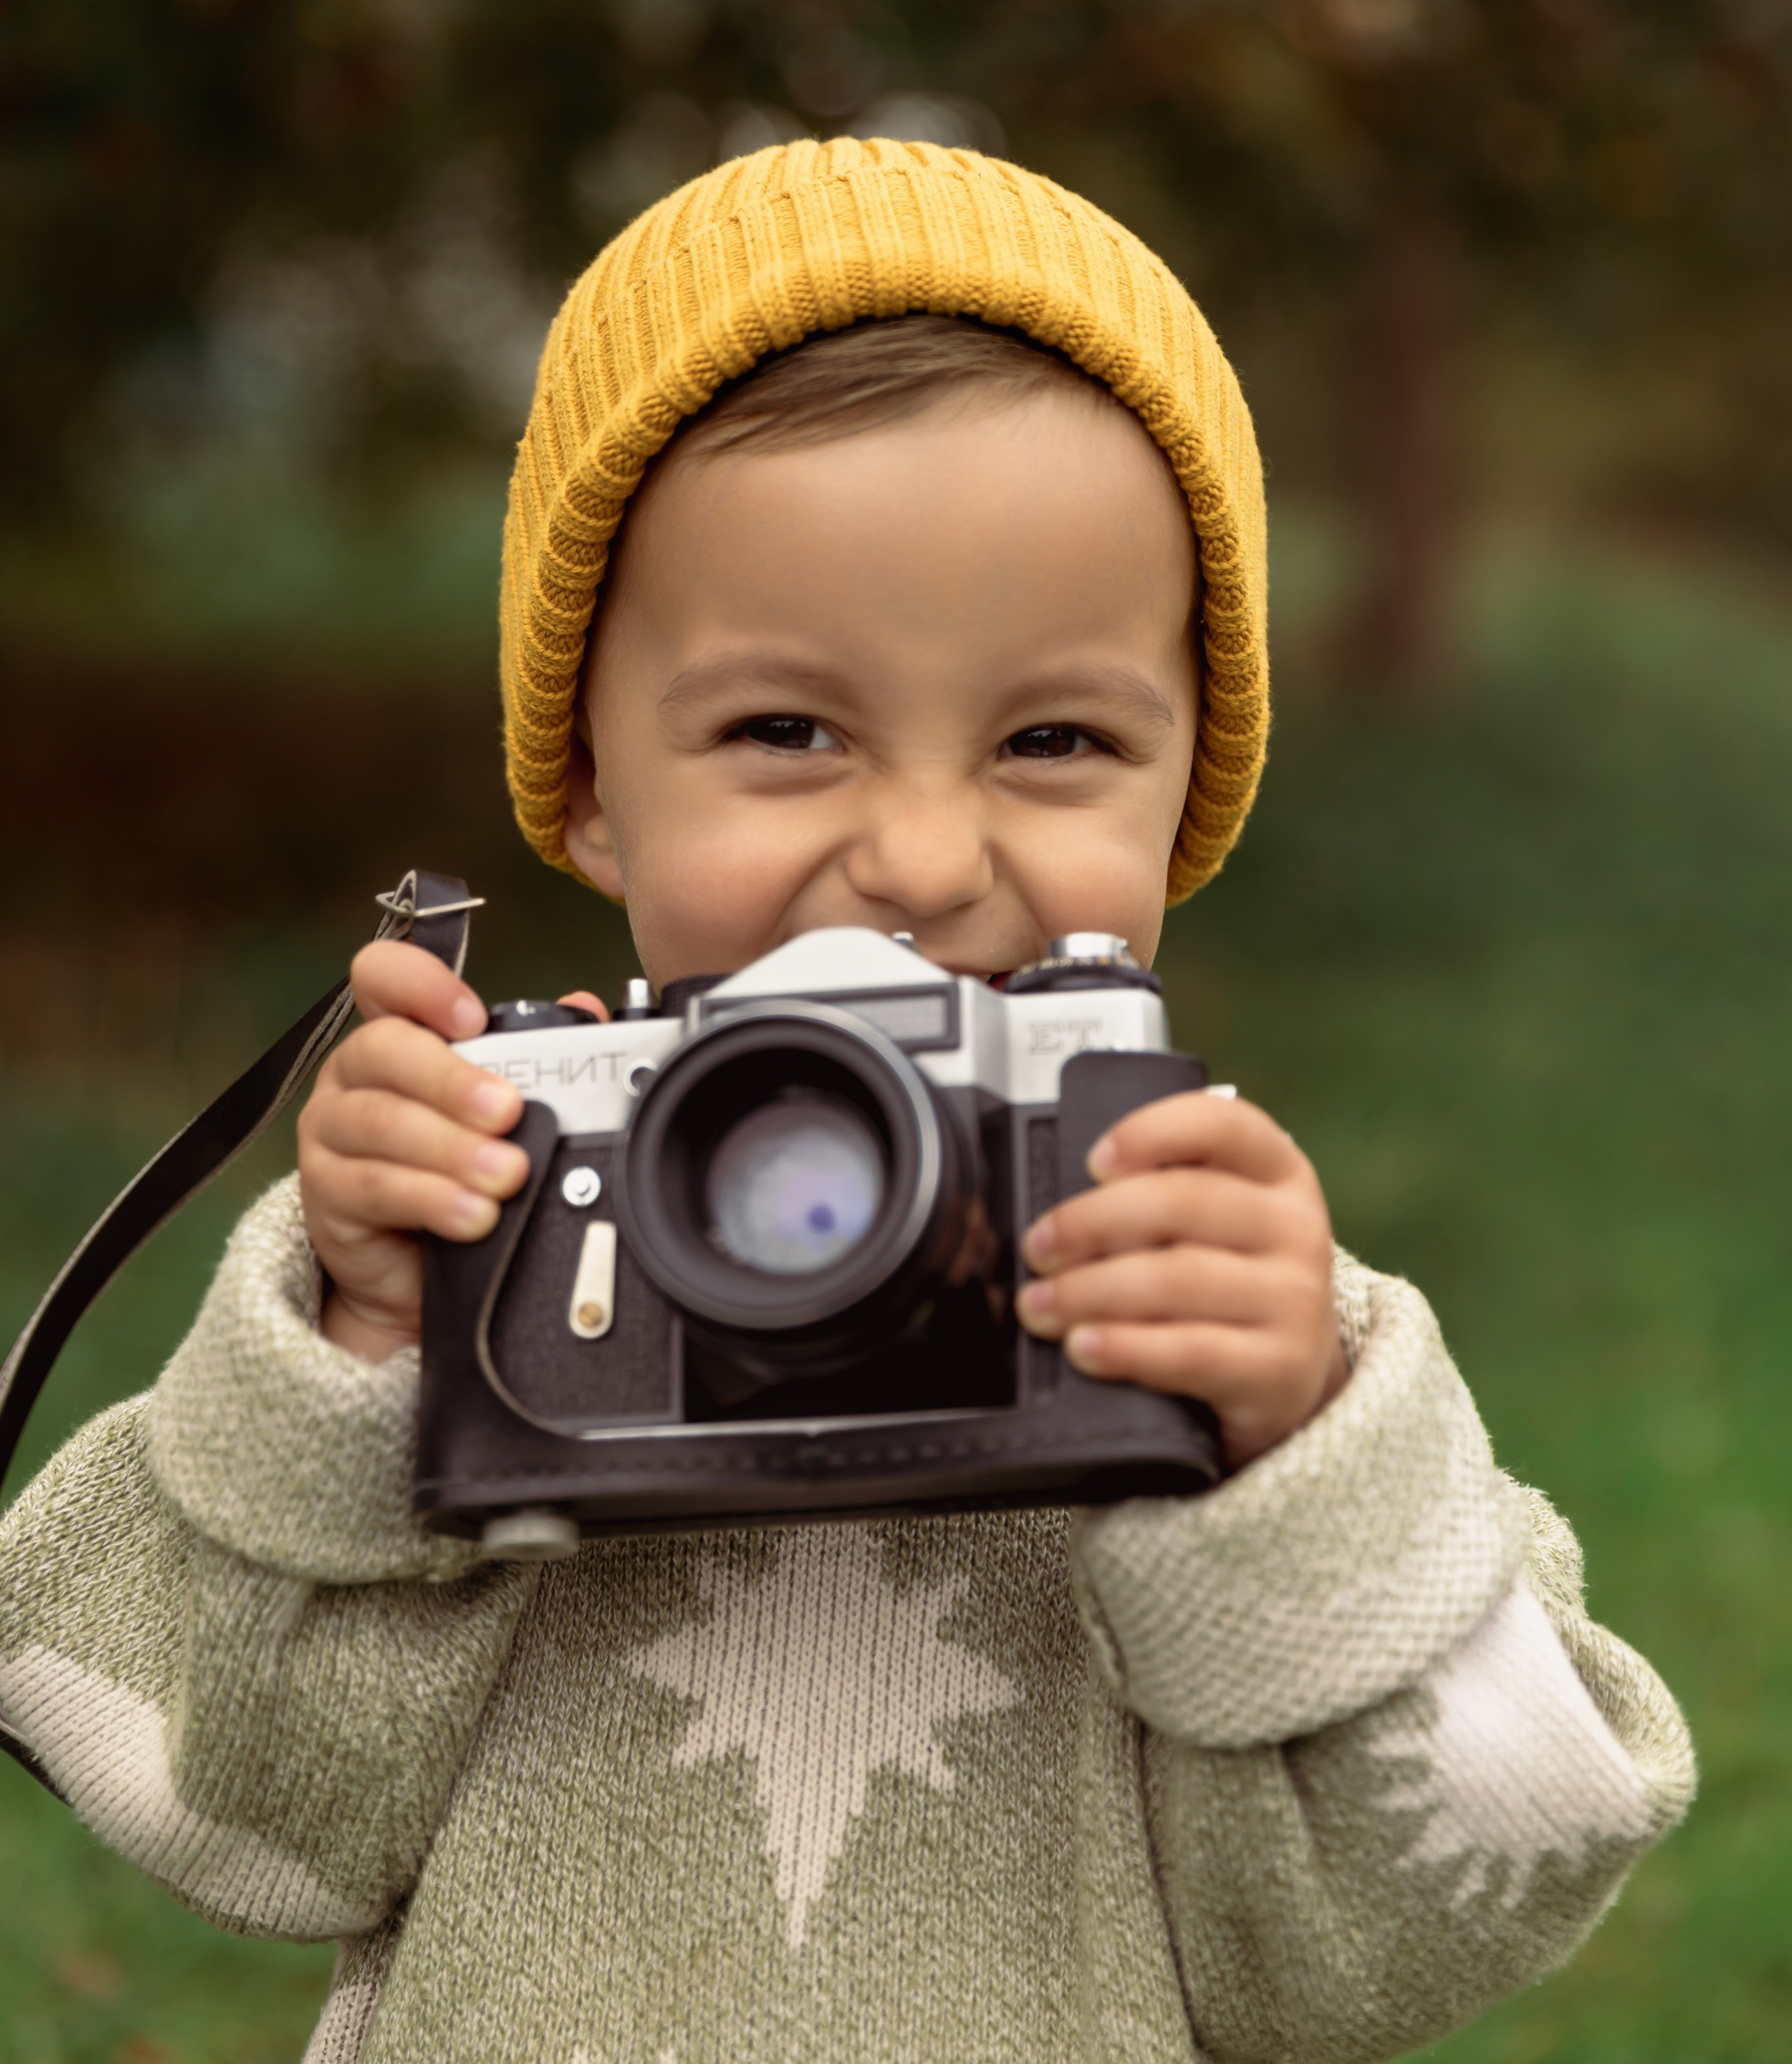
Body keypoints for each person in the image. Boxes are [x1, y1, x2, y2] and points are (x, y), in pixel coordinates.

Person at [0, 139, 1693, 2064]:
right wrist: (363, 1354)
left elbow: (1457, 1909)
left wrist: (1291, 1457)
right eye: (786, 732)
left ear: (1188, 788)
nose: (917, 852)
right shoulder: (488, 1251)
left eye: (1054, 739)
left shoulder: (1235, 1334)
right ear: (587, 784)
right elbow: (224, 1821)